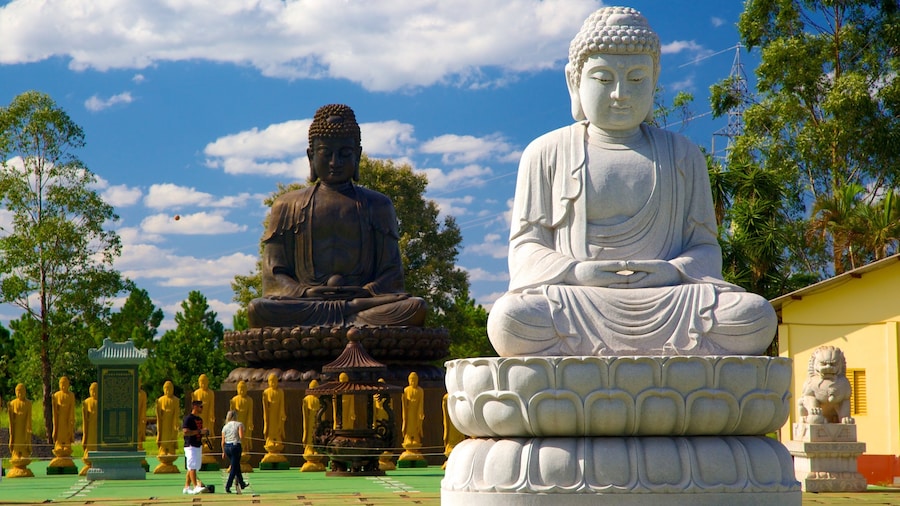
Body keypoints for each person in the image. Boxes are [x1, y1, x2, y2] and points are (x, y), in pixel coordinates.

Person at [487, 6, 777, 357]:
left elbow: (705, 248)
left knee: (755, 316)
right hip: (577, 299)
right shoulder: (546, 152)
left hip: (669, 300)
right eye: (603, 79)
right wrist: (577, 273)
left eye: (637, 79)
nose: (620, 94)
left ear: (654, 81)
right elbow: (525, 248)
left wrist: (672, 272)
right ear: (574, 82)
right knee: (510, 320)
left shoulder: (683, 154)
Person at [246, 103, 427, 328]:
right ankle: (349, 324)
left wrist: (366, 291)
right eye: (326, 154)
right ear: (311, 156)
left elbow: (392, 273)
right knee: (259, 309)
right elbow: (274, 274)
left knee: (414, 307)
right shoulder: (287, 205)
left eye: (344, 154)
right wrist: (305, 292)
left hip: (362, 304)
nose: (335, 163)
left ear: (357, 155)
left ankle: (344, 320)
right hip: (307, 305)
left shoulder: (378, 205)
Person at [182, 400, 209, 494]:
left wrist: (203, 433)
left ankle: (186, 487)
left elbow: (199, 431)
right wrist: (199, 432)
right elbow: (185, 431)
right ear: (195, 407)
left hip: (198, 444)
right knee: (192, 466)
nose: (202, 409)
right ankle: (195, 486)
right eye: (201, 407)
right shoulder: (188, 418)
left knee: (193, 467)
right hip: (190, 445)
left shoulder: (200, 419)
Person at [221, 410, 249, 494]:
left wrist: (223, 451)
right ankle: (228, 485)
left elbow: (223, 441)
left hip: (227, 447)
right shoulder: (239, 424)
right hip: (235, 446)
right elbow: (241, 436)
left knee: (236, 465)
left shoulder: (225, 427)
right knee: (234, 467)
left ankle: (242, 483)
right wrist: (244, 444)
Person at [192, 374, 216, 463]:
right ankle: (199, 444)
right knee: (198, 428)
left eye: (205, 382)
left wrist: (212, 415)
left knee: (207, 429)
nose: (203, 384)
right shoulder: (196, 393)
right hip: (199, 415)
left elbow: (212, 406)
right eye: (201, 382)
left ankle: (207, 443)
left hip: (207, 416)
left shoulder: (210, 393)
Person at [51, 376, 76, 457]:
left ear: (68, 385)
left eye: (65, 384)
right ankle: (58, 444)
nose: (64, 386)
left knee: (67, 432)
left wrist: (72, 419)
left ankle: (67, 445)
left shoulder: (71, 395)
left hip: (67, 418)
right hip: (60, 418)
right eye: (62, 384)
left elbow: (72, 408)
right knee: (59, 432)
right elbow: (55, 409)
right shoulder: (56, 395)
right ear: (59, 385)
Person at [262, 373, 286, 453]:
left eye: (274, 381)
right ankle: (270, 439)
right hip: (270, 413)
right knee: (270, 427)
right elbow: (265, 406)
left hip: (278, 413)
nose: (273, 383)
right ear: (268, 382)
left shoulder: (280, 392)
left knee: (278, 426)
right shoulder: (266, 392)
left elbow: (282, 404)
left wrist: (282, 413)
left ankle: (278, 439)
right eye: (271, 381)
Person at [155, 381, 180, 458]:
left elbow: (176, 413)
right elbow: (159, 413)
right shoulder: (161, 400)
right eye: (166, 389)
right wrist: (158, 410)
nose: (168, 391)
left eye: (169, 389)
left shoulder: (175, 400)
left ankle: (171, 449)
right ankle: (162, 449)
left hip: (171, 422)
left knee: (171, 435)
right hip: (164, 422)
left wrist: (176, 423)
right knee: (163, 436)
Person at [229, 380, 254, 458]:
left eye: (243, 388)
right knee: (236, 436)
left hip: (245, 421)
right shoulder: (234, 400)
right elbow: (232, 413)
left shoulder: (249, 400)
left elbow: (250, 413)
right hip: (237, 422)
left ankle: (245, 450)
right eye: (240, 388)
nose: (242, 390)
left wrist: (250, 423)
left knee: (245, 437)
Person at [8, 383, 32, 460]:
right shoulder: (12, 403)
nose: (20, 394)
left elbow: (29, 417)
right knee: (16, 440)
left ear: (25, 392)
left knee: (24, 439)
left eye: (21, 392)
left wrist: (29, 428)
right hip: (16, 427)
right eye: (18, 392)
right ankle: (16, 453)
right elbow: (11, 417)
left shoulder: (28, 403)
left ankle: (24, 453)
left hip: (24, 426)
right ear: (15, 393)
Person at [401, 372, 424, 449]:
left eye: (415, 380)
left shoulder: (420, 390)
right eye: (411, 380)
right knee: (409, 425)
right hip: (409, 411)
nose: (413, 382)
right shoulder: (406, 390)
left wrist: (420, 413)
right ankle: (408, 438)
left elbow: (421, 403)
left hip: (416, 411)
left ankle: (416, 438)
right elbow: (404, 402)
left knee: (416, 424)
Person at [81, 382, 99, 453]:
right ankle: (88, 452)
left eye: (96, 391)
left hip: (98, 426)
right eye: (92, 391)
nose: (94, 393)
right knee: (90, 440)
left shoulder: (101, 402)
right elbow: (85, 416)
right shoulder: (87, 402)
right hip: (90, 426)